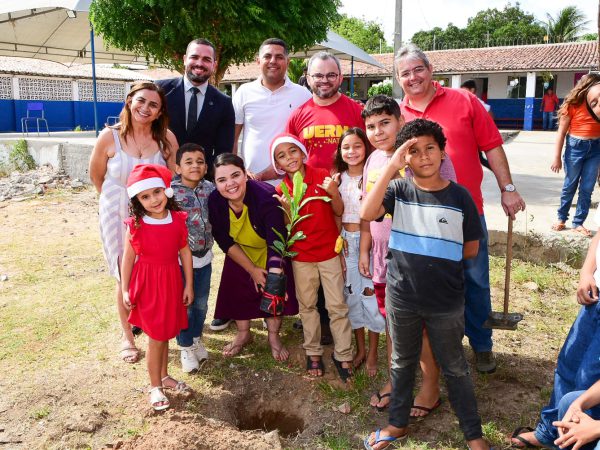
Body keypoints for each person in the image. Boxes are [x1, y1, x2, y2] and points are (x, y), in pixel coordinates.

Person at [396, 44, 526, 374]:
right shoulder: (397, 115)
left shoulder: (464, 101)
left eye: (418, 69)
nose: (413, 77)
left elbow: (492, 146)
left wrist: (508, 188)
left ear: (431, 70)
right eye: (405, 73)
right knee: (432, 283)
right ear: (398, 79)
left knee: (475, 279)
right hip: (420, 217)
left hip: (467, 211)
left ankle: (481, 344)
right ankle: (441, 346)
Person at [361, 119, 490, 450]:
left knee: (455, 367)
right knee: (402, 361)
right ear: (405, 158)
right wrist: (391, 167)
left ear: (442, 152)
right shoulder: (399, 191)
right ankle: (397, 424)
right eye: (413, 151)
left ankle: (474, 435)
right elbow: (367, 211)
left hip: (446, 301)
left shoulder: (460, 197)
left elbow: (470, 248)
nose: (423, 156)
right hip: (402, 297)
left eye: (430, 148)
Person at [360, 95, 456, 415]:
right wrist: (365, 248)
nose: (378, 132)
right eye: (371, 126)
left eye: (385, 123)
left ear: (401, 121)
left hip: (419, 259)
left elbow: (445, 206)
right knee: (393, 323)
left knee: (423, 328)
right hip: (383, 257)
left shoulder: (425, 156)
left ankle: (429, 389)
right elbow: (368, 207)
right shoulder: (374, 160)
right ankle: (396, 380)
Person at [89, 81, 178, 364]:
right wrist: (116, 203)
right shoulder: (109, 137)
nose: (145, 108)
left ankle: (152, 324)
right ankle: (127, 335)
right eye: (141, 101)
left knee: (152, 269)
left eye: (153, 105)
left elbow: (172, 178)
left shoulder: (166, 139)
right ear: (129, 101)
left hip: (154, 215)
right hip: (115, 211)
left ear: (160, 111)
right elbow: (96, 176)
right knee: (122, 271)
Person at [286, 50, 365, 344]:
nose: (324, 80)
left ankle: (345, 316)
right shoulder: (298, 115)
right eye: (318, 75)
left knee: (343, 257)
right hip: (310, 201)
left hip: (348, 195)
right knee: (314, 256)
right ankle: (317, 317)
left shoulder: (355, 110)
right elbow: (288, 155)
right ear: (307, 78)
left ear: (340, 78)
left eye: (331, 75)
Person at [511, 205, 600, 449]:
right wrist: (586, 272)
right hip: (594, 297)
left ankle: (576, 438)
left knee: (589, 378)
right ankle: (551, 432)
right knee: (568, 365)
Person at [271, 133, 354, 381]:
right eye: (281, 156)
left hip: (328, 253)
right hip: (302, 257)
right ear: (277, 164)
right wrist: (287, 209)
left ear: (302, 152)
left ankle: (343, 353)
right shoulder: (281, 189)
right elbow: (289, 228)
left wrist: (334, 193)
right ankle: (313, 351)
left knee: (336, 305)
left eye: (292, 151)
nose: (289, 158)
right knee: (307, 306)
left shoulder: (321, 176)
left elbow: (338, 210)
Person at [207, 153, 298, 360]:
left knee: (274, 288)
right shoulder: (215, 201)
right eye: (222, 180)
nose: (230, 184)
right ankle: (243, 333)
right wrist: (252, 270)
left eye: (235, 175)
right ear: (215, 183)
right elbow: (224, 241)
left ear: (245, 175)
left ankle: (273, 336)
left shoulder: (266, 195)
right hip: (240, 250)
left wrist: (274, 278)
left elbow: (276, 240)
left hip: (269, 248)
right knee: (237, 289)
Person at [120, 164, 193, 411]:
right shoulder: (136, 225)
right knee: (157, 337)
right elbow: (128, 258)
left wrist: (189, 285)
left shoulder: (178, 219)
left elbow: (185, 252)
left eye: (157, 192)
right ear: (137, 201)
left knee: (166, 332)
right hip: (149, 284)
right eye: (145, 196)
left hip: (171, 282)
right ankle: (154, 387)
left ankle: (163, 376)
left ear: (166, 190)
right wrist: (125, 290)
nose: (153, 200)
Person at [333, 128, 385, 377]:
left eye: (357, 146)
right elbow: (335, 214)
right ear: (340, 151)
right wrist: (338, 248)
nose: (351, 151)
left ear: (366, 148)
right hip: (346, 243)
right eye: (346, 147)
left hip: (370, 243)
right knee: (351, 296)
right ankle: (360, 350)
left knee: (371, 297)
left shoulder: (373, 176)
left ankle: (373, 352)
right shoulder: (338, 179)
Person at [232, 38, 311, 185]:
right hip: (252, 183)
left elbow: (309, 140)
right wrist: (235, 168)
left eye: (279, 57)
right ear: (258, 61)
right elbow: (233, 138)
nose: (273, 61)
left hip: (293, 184)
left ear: (287, 62)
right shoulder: (244, 92)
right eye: (267, 56)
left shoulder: (303, 95)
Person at [156, 38, 235, 172]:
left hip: (202, 179)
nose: (199, 63)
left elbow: (223, 152)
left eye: (206, 59)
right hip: (160, 175)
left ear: (214, 65)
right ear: (185, 59)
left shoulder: (224, 103)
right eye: (194, 57)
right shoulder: (160, 90)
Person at [172, 143, 214, 373]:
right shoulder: (170, 193)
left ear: (206, 167)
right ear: (178, 168)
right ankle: (185, 346)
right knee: (185, 305)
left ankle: (196, 338)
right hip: (180, 262)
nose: (195, 166)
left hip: (205, 258)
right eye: (188, 162)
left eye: (200, 161)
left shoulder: (211, 188)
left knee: (201, 303)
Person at [550, 74, 600, 238]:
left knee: (587, 188)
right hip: (576, 147)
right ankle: (561, 218)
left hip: (596, 148)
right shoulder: (572, 104)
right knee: (570, 185)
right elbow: (561, 132)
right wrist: (556, 157)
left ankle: (578, 223)